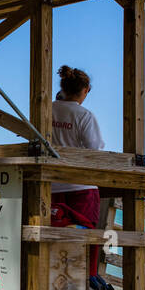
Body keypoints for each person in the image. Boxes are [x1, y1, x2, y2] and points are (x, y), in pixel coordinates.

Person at [50, 65, 104, 276]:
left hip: (51, 185)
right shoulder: (84, 115)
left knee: (53, 237)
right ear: (85, 90)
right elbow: (95, 149)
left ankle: (53, 284)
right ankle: (86, 284)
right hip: (81, 186)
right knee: (87, 238)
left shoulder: (45, 109)